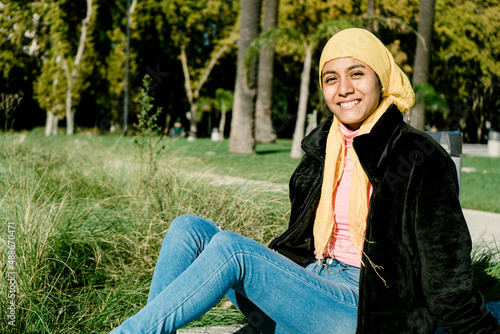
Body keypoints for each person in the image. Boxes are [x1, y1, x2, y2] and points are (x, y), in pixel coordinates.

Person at [110, 28, 500, 334]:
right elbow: (300, 242)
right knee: (187, 229)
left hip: (367, 310)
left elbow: (448, 280)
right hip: (312, 286)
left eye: (357, 74)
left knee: (233, 250)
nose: (343, 88)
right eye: (331, 79)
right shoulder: (324, 146)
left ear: (381, 78)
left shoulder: (418, 156)